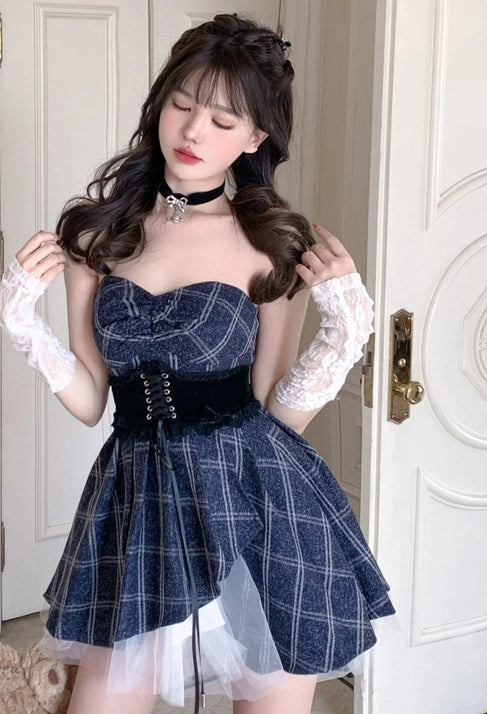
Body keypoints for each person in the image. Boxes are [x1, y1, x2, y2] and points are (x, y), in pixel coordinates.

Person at [0, 13, 394, 714]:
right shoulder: (96, 233)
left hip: (257, 500)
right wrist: (21, 321)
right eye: (181, 104)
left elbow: (276, 411)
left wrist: (344, 333)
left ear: (255, 137)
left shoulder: (271, 243)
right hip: (138, 503)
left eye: (221, 119)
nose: (192, 132)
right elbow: (91, 401)